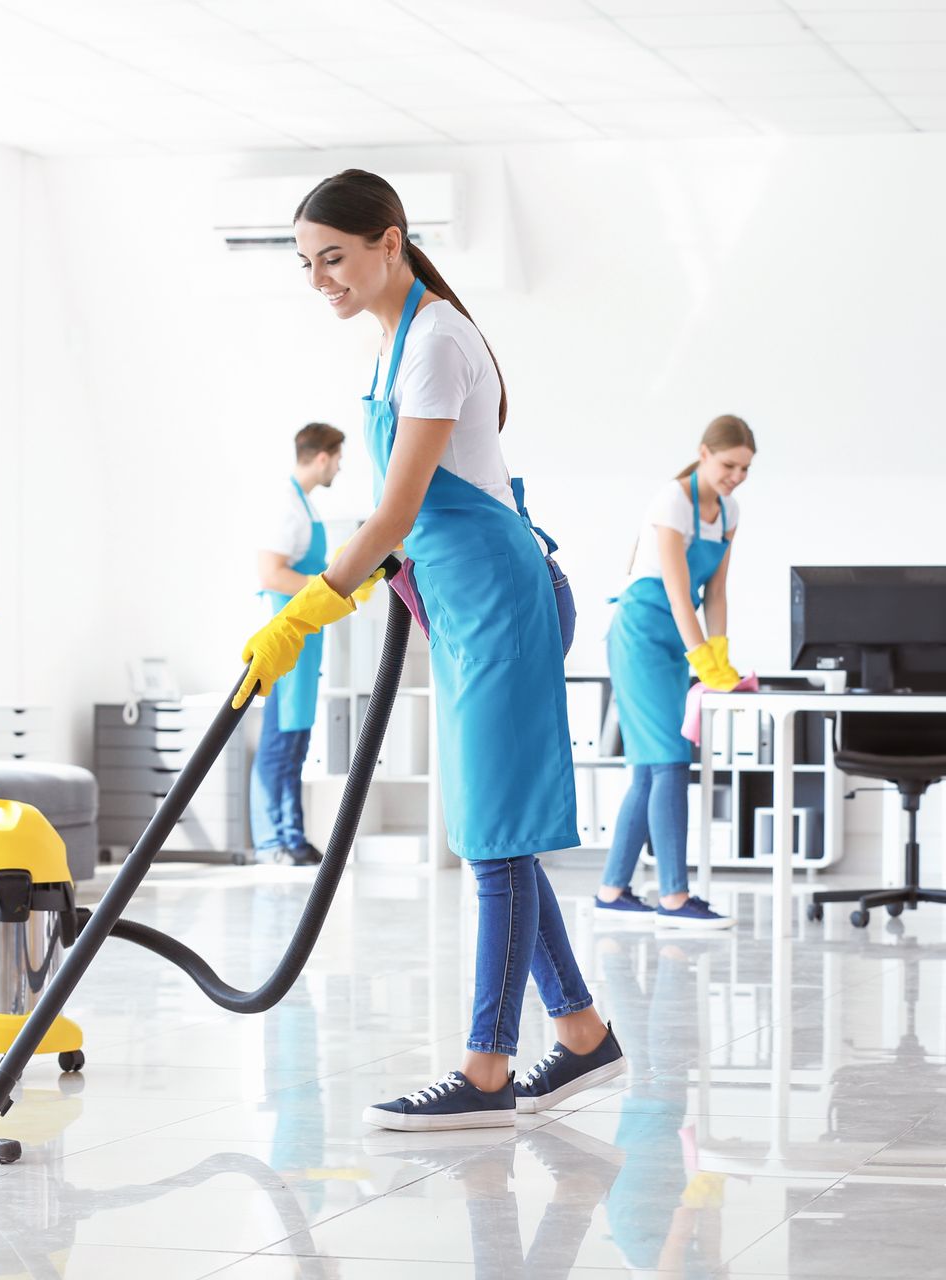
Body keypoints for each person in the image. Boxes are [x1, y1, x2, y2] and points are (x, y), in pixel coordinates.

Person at [234, 168, 624, 1131]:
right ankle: (581, 1038)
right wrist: (372, 579)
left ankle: (486, 1073)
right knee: (498, 832)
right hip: (458, 600)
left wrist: (305, 612)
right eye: (307, 263)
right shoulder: (391, 345)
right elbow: (401, 514)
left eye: (334, 257)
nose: (320, 278)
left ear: (390, 241)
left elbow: (401, 507)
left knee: (491, 840)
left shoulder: (438, 340)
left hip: (499, 598)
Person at [597, 416, 757, 929]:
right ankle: (673, 896)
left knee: (650, 766)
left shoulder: (728, 511)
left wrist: (721, 651)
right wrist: (701, 659)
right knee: (668, 760)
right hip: (643, 633)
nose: (736, 475)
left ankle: (613, 889)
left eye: (746, 468)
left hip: (677, 639)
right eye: (729, 464)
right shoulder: (672, 500)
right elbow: (673, 587)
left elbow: (716, 591)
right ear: (704, 453)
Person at [249, 423, 345, 866]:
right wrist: (323, 589)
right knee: (279, 738)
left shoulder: (305, 505)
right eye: (338, 457)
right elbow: (271, 574)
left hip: (306, 639)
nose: (340, 466)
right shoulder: (286, 506)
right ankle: (272, 842)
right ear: (322, 456)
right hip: (285, 635)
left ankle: (292, 836)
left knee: (296, 740)